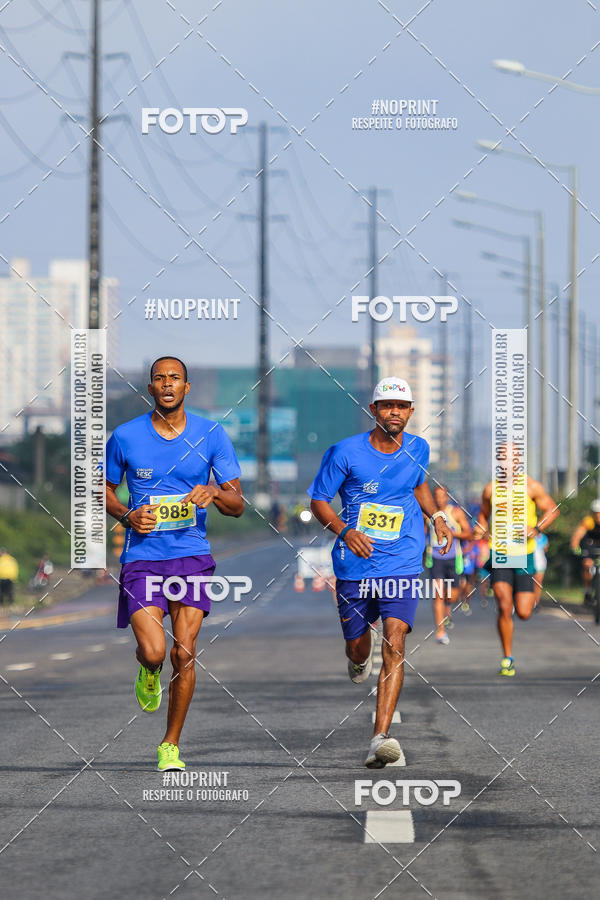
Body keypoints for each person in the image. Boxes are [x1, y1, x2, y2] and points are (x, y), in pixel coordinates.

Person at [105, 357, 244, 771]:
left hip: (191, 558)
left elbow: (237, 504)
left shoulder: (211, 434)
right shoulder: (125, 436)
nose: (167, 384)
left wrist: (214, 492)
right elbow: (105, 492)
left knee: (184, 654)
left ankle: (170, 744)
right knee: (155, 650)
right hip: (143, 558)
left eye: (175, 378)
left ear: (187, 387)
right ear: (150, 388)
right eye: (160, 378)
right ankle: (147, 670)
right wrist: (127, 515)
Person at [308, 377, 453, 768]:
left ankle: (380, 737)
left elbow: (419, 484)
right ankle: (357, 657)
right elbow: (319, 500)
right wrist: (345, 531)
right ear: (373, 411)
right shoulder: (344, 452)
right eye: (386, 405)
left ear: (410, 412)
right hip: (354, 565)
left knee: (395, 642)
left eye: (401, 406)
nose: (394, 412)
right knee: (359, 646)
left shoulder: (419, 448)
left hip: (403, 562)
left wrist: (436, 515)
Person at [475, 445, 558, 677]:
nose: (506, 463)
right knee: (503, 605)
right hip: (500, 553)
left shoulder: (531, 486)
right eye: (502, 458)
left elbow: (552, 509)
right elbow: (482, 515)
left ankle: (516, 601)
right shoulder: (491, 489)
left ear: (518, 461)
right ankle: (507, 657)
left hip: (524, 554)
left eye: (511, 458)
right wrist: (481, 529)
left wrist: (537, 528)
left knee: (523, 612)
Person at [425, 485, 472, 644]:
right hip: (435, 559)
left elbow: (468, 533)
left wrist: (452, 533)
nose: (439, 499)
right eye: (436, 496)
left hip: (454, 559)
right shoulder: (429, 514)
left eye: (442, 495)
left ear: (447, 496)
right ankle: (440, 632)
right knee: (438, 595)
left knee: (451, 596)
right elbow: (422, 532)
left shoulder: (456, 513)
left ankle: (447, 611)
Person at [570, 499, 600, 603]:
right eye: (596, 513)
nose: (598, 516)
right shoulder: (588, 521)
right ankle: (587, 591)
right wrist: (575, 547)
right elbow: (577, 536)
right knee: (588, 564)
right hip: (589, 545)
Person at [532, 531, 549, 609]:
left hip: (540, 563)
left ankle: (536, 602)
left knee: (538, 583)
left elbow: (546, 548)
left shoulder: (543, 537)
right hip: (528, 562)